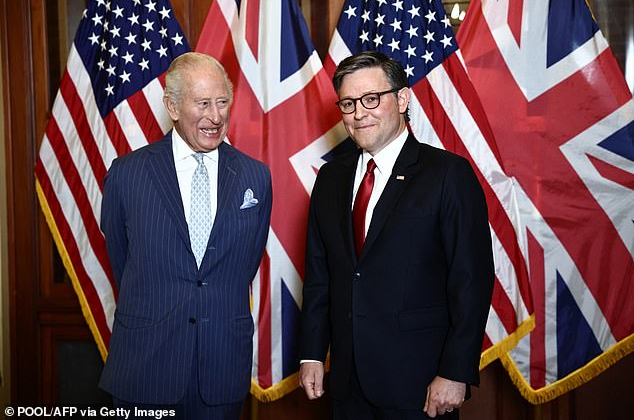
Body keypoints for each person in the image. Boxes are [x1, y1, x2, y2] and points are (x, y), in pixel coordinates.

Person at [298, 51, 494, 419]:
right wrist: (311, 352)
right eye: (348, 103)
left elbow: (473, 280)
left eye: (371, 99)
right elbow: (319, 277)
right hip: (346, 382)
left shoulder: (448, 174)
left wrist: (455, 371)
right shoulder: (329, 180)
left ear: (402, 99)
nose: (359, 114)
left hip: (419, 384)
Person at [99, 52, 272, 419]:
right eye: (203, 103)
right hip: (145, 366)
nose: (215, 116)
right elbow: (122, 261)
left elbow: (245, 265)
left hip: (220, 370)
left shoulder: (255, 177)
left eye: (223, 101)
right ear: (172, 107)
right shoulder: (127, 175)